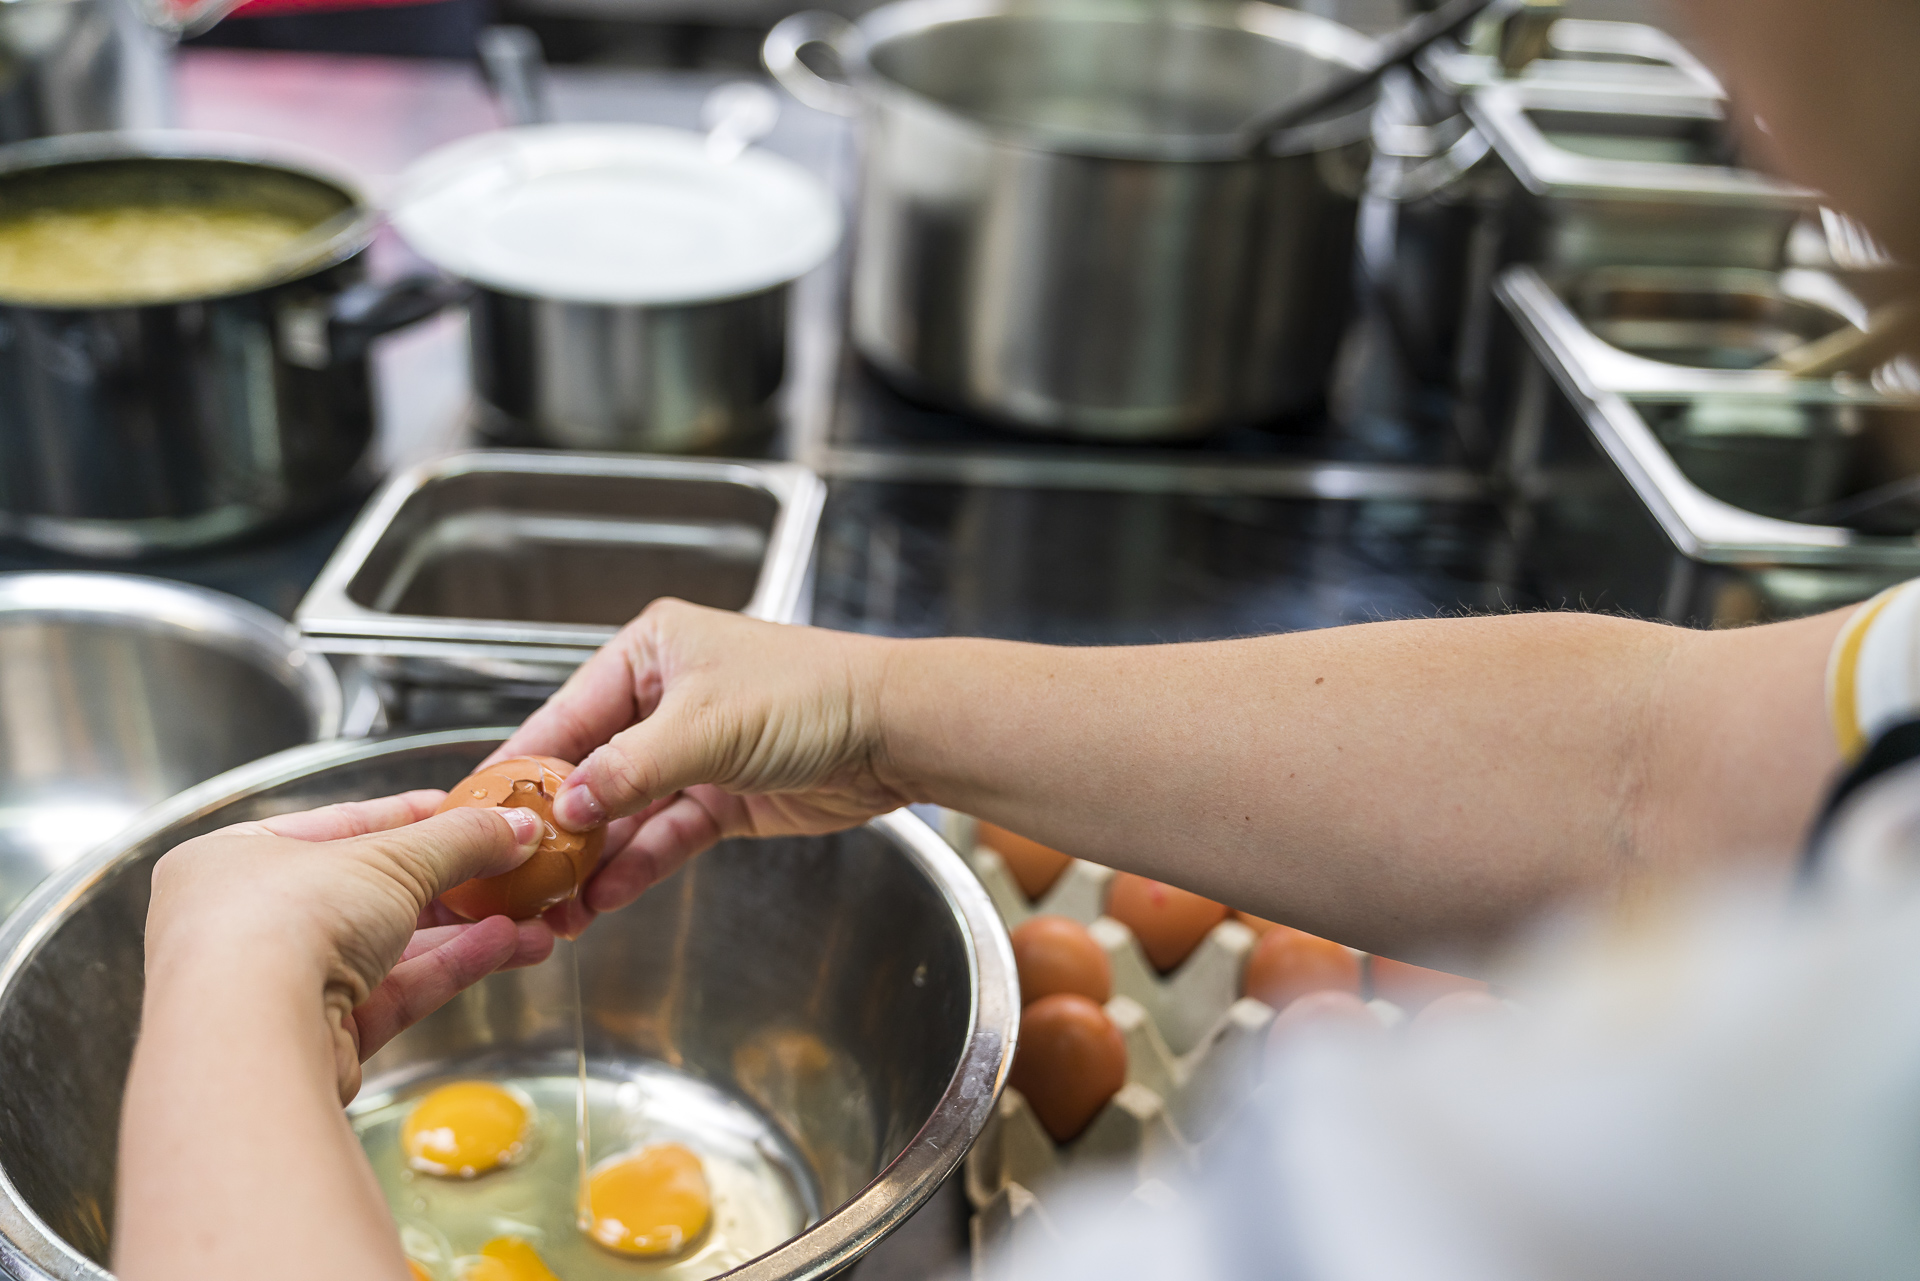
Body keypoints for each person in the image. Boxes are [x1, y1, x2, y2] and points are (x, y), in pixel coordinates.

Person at [112, 2, 1920, 1278]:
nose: (1709, 54)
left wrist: (221, 984)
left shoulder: (1730, 1146)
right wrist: (885, 710)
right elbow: (1660, 779)